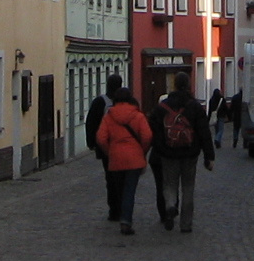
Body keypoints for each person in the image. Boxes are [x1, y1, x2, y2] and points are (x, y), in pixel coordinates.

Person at [147, 72, 214, 233]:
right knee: (188, 187)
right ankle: (186, 224)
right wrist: (209, 156)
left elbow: (153, 130)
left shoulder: (162, 107)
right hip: (190, 154)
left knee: (169, 184)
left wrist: (159, 148)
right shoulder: (195, 107)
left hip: (168, 154)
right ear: (189, 85)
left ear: (174, 85)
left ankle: (170, 206)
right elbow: (204, 132)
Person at [95, 88, 152, 234]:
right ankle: (126, 221)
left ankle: (121, 214)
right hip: (134, 159)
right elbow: (147, 136)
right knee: (129, 191)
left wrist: (110, 151)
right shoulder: (138, 116)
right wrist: (142, 151)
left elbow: (101, 138)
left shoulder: (109, 117)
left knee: (120, 190)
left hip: (116, 159)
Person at [85, 73, 126, 221]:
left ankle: (114, 209)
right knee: (123, 179)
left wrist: (92, 143)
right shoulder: (126, 102)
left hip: (106, 148)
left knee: (111, 178)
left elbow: (91, 124)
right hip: (124, 147)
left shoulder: (100, 102)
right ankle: (123, 207)